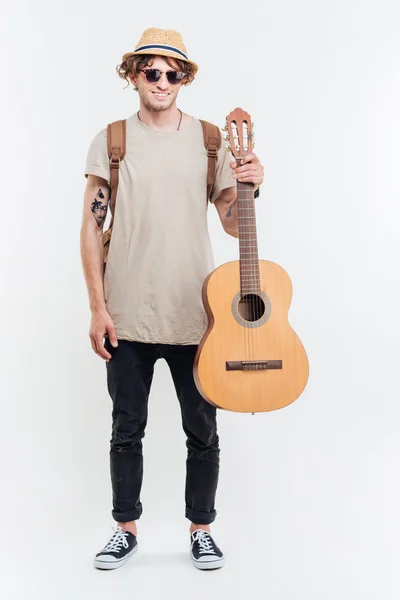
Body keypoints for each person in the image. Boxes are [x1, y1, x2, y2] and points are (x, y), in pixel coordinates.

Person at [80, 27, 264, 571]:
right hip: (127, 314)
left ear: (184, 78)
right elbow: (91, 228)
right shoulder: (112, 139)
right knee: (125, 430)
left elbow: (234, 226)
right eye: (151, 71)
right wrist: (96, 306)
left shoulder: (211, 140)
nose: (162, 81)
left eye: (172, 72)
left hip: (197, 318)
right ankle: (125, 529)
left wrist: (254, 183)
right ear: (133, 75)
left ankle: (201, 529)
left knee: (202, 433)